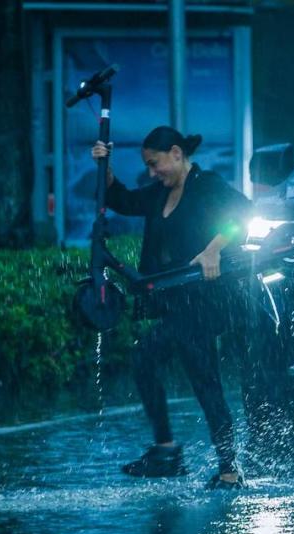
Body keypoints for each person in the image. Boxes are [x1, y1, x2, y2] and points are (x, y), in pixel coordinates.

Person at [91, 126, 251, 489]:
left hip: (206, 300)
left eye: (155, 163)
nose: (152, 173)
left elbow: (242, 214)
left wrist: (214, 248)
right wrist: (107, 170)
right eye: (148, 166)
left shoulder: (205, 184)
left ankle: (182, 455)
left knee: (158, 359)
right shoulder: (158, 193)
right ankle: (210, 464)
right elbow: (124, 201)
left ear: (176, 154)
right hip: (176, 302)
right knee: (193, 373)